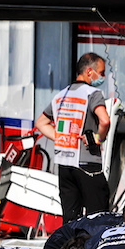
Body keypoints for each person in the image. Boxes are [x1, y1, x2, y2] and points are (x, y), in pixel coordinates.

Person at [36, 53, 110, 223]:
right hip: (87, 163)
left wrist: (61, 137)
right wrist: (99, 138)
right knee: (98, 217)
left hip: (64, 164)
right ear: (90, 71)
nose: (103, 77)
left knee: (70, 219)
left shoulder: (61, 96)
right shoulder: (93, 93)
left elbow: (41, 123)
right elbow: (105, 120)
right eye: (102, 72)